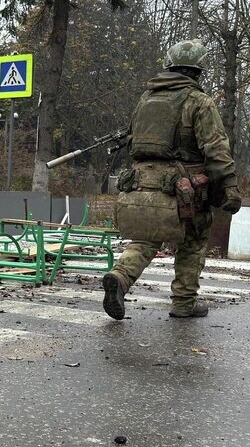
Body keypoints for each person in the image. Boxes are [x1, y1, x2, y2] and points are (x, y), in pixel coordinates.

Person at [102, 40, 242, 321]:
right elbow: (215, 148)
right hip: (183, 187)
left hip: (140, 183)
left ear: (169, 66)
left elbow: (133, 142)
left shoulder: (145, 100)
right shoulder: (198, 101)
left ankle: (120, 276)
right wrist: (228, 187)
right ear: (198, 71)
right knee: (192, 241)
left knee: (145, 239)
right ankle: (183, 303)